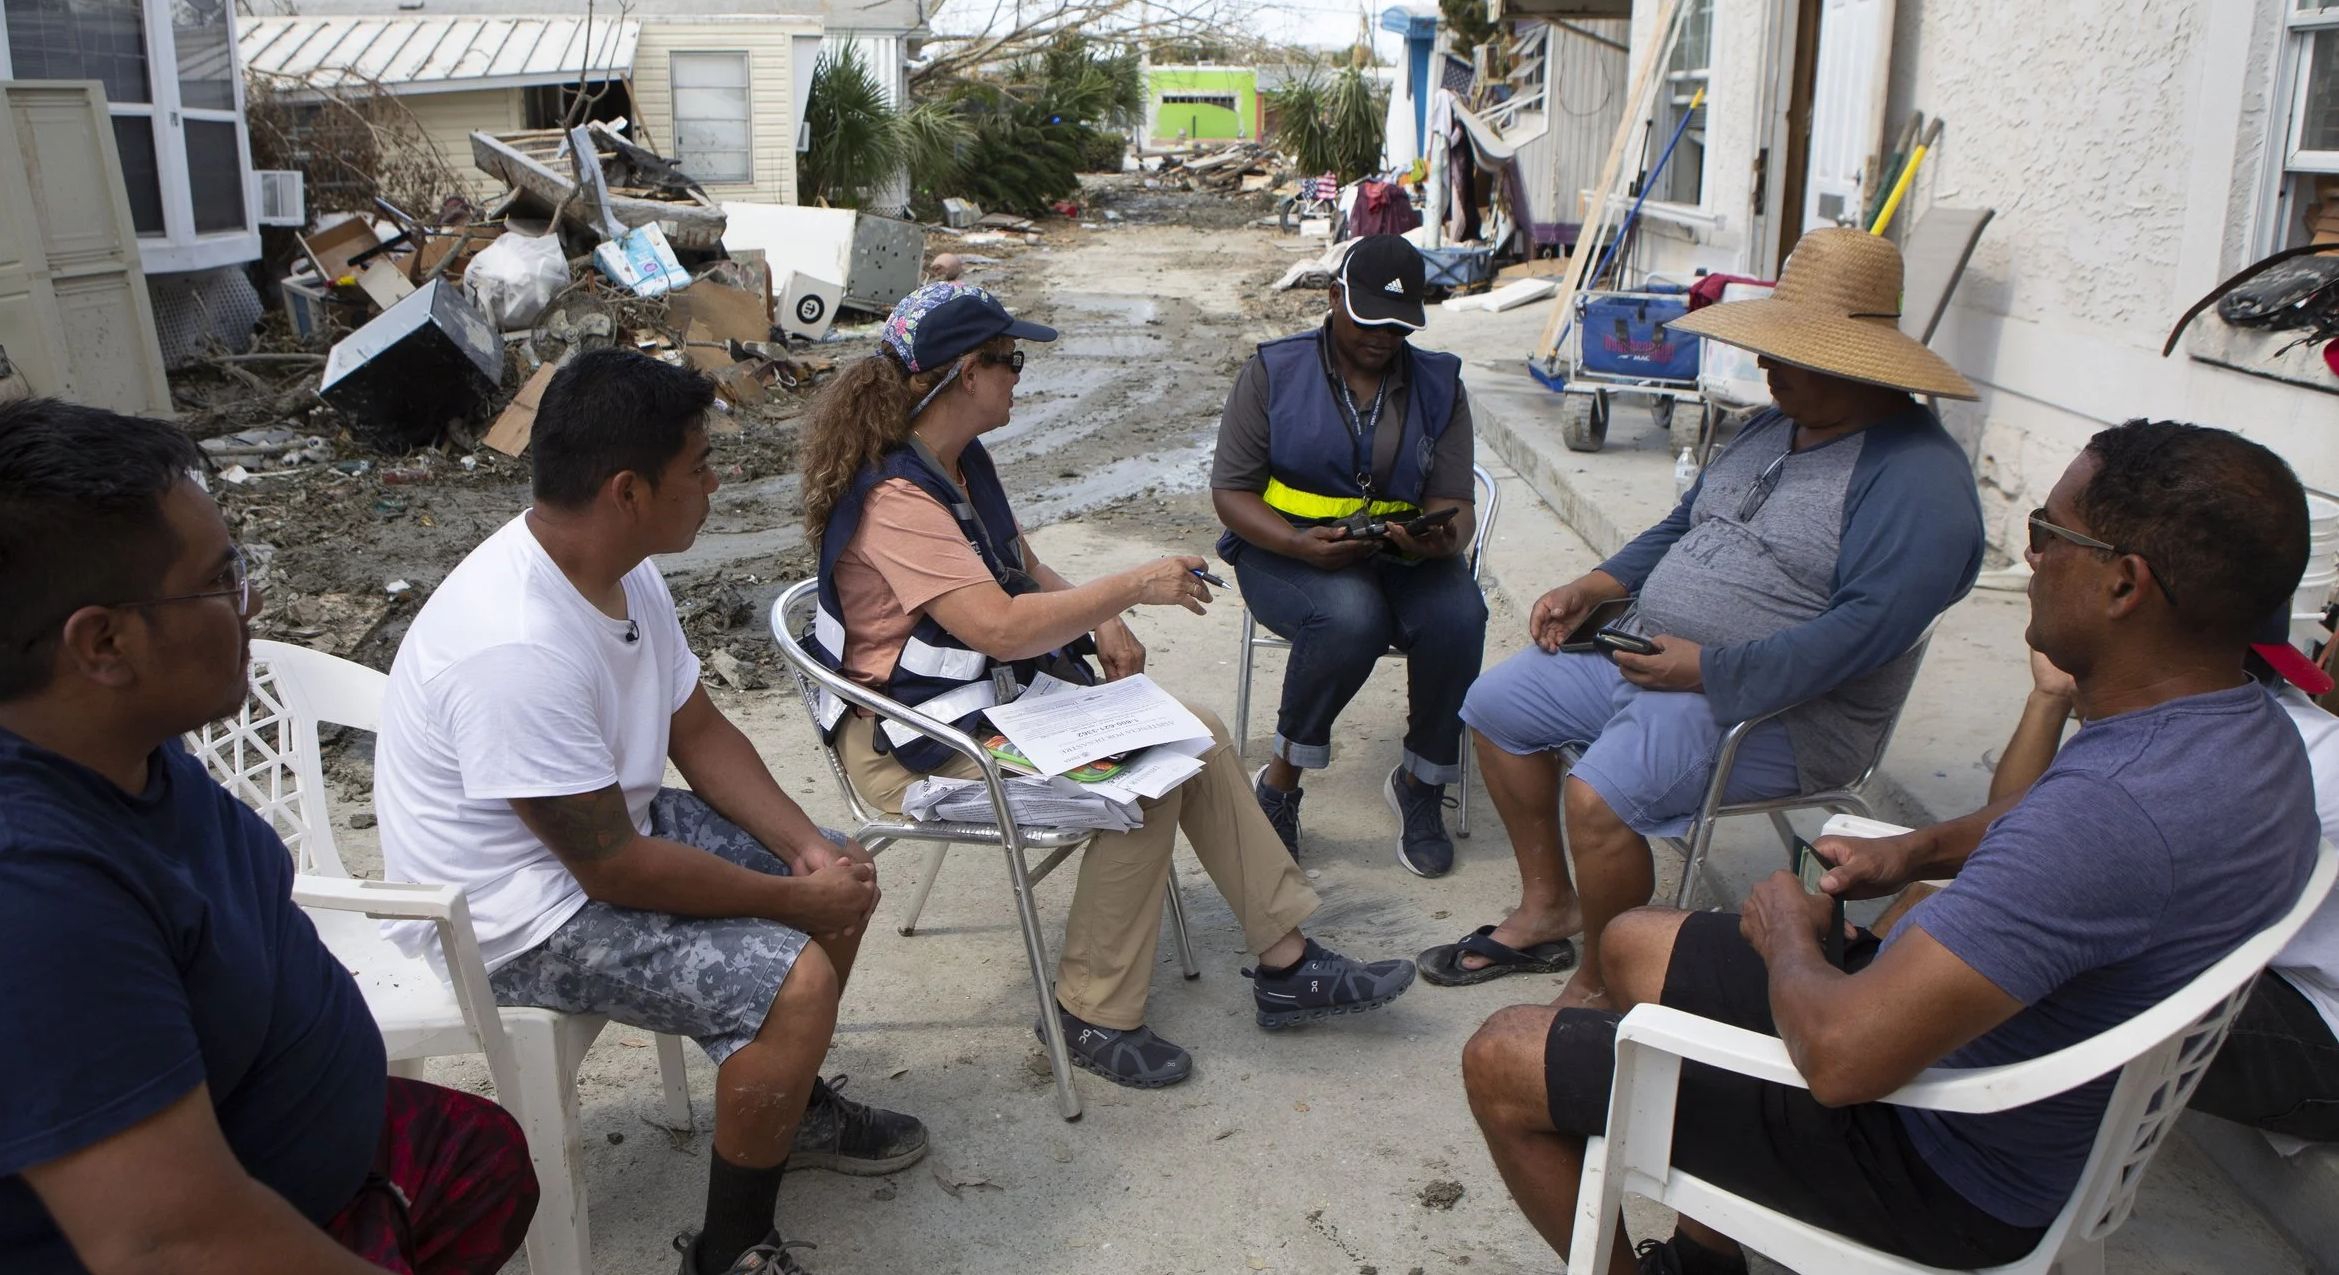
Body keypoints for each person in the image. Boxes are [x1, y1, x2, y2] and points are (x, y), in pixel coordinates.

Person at [1460, 418, 2319, 1275]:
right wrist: (1913, 852)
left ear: (2124, 582)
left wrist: (1787, 931)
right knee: (1632, 941)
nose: (2028, 557)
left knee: (1506, 1056)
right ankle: (1708, 1271)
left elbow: (1840, 1058)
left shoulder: (2110, 814)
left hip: (1941, 1156)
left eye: (2047, 533)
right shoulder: (2245, 737)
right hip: (2014, 1084)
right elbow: (2048, 827)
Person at [0, 398, 543, 1275]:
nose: (250, 604)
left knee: (482, 1156)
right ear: (102, 643)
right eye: (222, 581)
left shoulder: (65, 714)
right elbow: (168, 1254)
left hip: (275, 1159)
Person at [374, 350, 923, 1275]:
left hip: (595, 841)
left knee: (839, 866)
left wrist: (808, 854)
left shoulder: (616, 566)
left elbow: (698, 731)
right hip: (512, 914)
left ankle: (780, 1104)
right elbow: (609, 868)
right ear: (627, 491)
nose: (716, 483)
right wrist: (790, 902)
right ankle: (724, 1271)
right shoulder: (513, 643)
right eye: (699, 466)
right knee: (796, 970)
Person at [797, 281, 1413, 1090]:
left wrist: (1094, 624)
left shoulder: (955, 460)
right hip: (913, 750)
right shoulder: (899, 498)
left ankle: (1286, 958)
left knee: (1193, 731)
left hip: (979, 712)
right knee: (1142, 784)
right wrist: (1130, 587)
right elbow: (1002, 628)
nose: (1021, 373)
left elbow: (1018, 566)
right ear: (957, 375)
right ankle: (1091, 1011)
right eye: (1008, 358)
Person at [1425, 229, 1982, 1004]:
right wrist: (1597, 583)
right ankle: (1552, 902)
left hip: (1779, 713)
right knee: (1496, 705)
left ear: (1853, 363)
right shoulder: (1769, 427)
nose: (1764, 364)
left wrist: (1711, 670)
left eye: (1787, 351)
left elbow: (1862, 635)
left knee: (1598, 794)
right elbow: (1684, 526)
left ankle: (1606, 983)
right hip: (1653, 660)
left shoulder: (1918, 482)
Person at [1918, 616, 2339, 1141]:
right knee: (1975, 922)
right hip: (2255, 963)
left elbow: (2038, 858)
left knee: (2024, 959)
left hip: (2315, 1021)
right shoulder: (2202, 717)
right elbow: (2019, 834)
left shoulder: (2255, 749)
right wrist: (2049, 695)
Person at [1211, 232, 1487, 878]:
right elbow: (1230, 492)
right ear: (1335, 298)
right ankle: (1279, 787)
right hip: (1283, 552)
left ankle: (1420, 784)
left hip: (1402, 556)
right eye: (1367, 319)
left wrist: (1439, 538)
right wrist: (1295, 541)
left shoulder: (1440, 386)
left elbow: (1456, 501)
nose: (1381, 338)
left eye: (1397, 326)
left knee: (1460, 614)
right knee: (1350, 616)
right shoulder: (1274, 373)